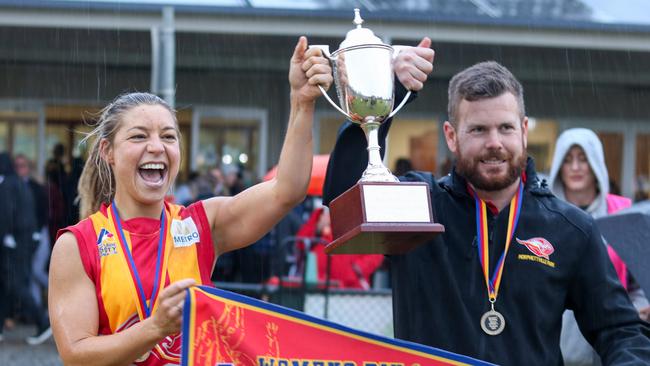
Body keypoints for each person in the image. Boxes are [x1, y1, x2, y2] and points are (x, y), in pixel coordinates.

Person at [322, 60, 650, 364]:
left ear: (523, 131)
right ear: (451, 136)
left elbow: (618, 330)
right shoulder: (419, 207)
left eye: (505, 128)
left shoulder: (570, 228)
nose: (494, 143)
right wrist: (390, 93)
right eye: (478, 130)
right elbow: (343, 194)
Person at [48, 36, 332, 366]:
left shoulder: (200, 223)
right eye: (139, 136)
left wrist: (302, 102)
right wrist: (154, 328)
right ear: (108, 152)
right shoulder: (77, 244)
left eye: (168, 136)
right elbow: (76, 354)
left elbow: (287, 190)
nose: (157, 146)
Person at [548, 128, 650, 366]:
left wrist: (640, 307)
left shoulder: (623, 213)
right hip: (557, 342)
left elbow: (635, 280)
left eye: (583, 159)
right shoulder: (544, 216)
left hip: (610, 342)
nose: (575, 167)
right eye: (568, 159)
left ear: (596, 164)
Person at [0, 152, 51, 345]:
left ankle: (42, 321)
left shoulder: (7, 185)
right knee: (8, 285)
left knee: (15, 285)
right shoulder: (20, 184)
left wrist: (6, 236)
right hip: (24, 242)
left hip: (14, 244)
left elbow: (5, 215)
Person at [295, 207, 383, 289]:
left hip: (351, 287)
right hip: (320, 285)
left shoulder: (361, 214)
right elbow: (300, 243)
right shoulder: (322, 213)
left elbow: (376, 251)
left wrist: (359, 268)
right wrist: (317, 227)